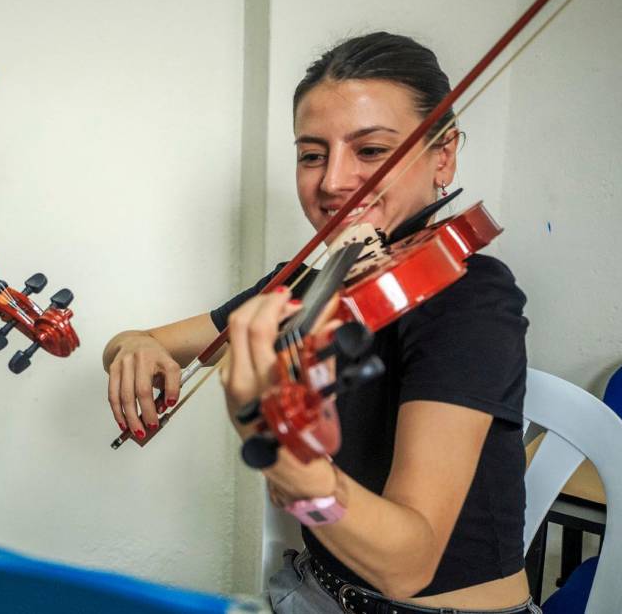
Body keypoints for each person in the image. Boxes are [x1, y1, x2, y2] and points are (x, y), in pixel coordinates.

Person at [104, 32, 538, 613]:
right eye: (312, 154)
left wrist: (273, 446)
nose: (332, 181)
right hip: (310, 592)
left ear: (445, 156)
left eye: (370, 150)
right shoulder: (311, 283)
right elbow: (147, 341)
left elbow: (406, 567)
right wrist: (133, 348)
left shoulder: (470, 298)